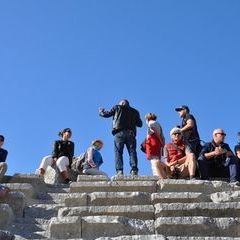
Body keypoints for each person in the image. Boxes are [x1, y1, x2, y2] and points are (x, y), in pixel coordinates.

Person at [99, 99, 142, 176]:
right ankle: (134, 170)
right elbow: (140, 124)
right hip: (130, 133)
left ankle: (119, 171)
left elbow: (106, 114)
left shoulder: (117, 107)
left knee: (118, 152)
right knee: (132, 152)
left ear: (121, 103)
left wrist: (101, 111)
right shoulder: (135, 111)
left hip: (119, 133)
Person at [144, 113, 165, 177]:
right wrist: (162, 143)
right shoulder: (158, 124)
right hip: (157, 143)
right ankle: (159, 173)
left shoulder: (151, 123)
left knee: (153, 159)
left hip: (152, 142)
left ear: (148, 118)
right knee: (156, 158)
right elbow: (161, 135)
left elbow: (154, 131)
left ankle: (157, 174)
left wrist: (160, 140)